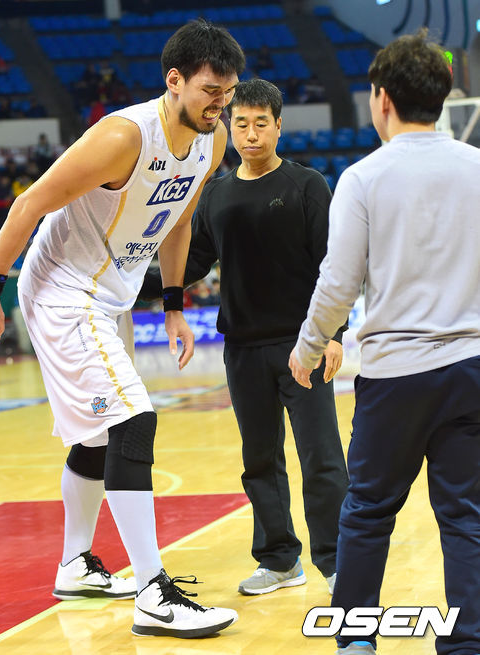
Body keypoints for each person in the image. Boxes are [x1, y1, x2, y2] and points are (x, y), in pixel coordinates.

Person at [0, 19, 246, 639]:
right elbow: (30, 203)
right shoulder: (123, 137)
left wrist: (173, 303)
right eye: (210, 92)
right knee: (131, 420)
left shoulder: (212, 138)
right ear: (174, 81)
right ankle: (152, 591)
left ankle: (75, 564)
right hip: (63, 289)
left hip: (111, 292)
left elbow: (178, 220)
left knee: (97, 436)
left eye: (227, 93)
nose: (220, 105)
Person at [289, 29, 480, 655]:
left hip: (397, 374)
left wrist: (308, 346)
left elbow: (338, 282)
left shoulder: (364, 177)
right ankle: (468, 643)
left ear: (383, 99)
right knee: (466, 517)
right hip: (471, 367)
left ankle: (355, 640)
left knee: (368, 511)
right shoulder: (477, 167)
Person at [141, 78, 348, 596]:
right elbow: (191, 262)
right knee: (259, 461)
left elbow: (333, 265)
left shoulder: (307, 185)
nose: (251, 134)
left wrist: (334, 334)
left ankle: (337, 561)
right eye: (241, 124)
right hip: (242, 350)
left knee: (321, 458)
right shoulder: (216, 193)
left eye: (261, 124)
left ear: (279, 126)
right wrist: (130, 279)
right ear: (229, 128)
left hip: (304, 346)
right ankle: (279, 561)